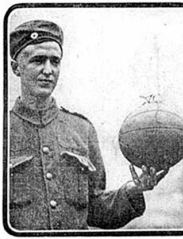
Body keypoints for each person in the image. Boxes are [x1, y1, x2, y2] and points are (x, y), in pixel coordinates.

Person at [9, 20, 169, 230]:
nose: (48, 70)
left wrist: (134, 190)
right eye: (38, 60)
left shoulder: (81, 130)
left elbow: (96, 209)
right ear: (16, 67)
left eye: (55, 62)